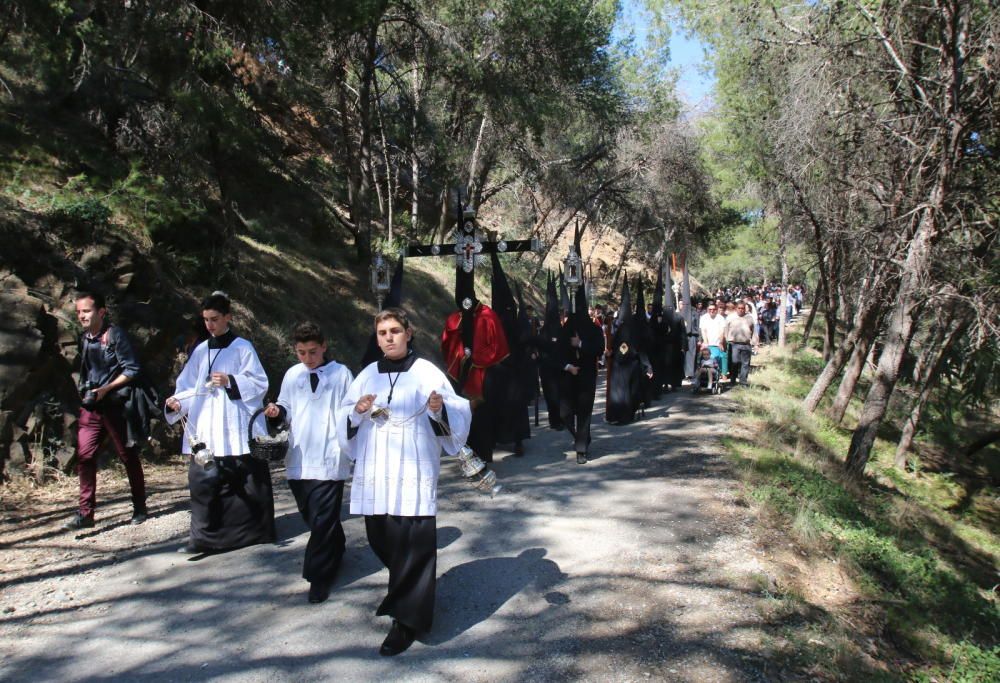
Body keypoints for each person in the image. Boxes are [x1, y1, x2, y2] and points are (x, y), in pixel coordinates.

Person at [343, 308, 471, 656]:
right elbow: (343, 414)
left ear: (409, 333)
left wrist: (437, 408)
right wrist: (356, 410)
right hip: (376, 473)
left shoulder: (427, 372)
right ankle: (409, 591)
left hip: (412, 471)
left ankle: (406, 622)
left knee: (413, 546)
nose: (389, 337)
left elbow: (457, 412)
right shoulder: (367, 375)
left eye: (395, 330)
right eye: (382, 332)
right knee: (381, 539)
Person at [164, 291, 275, 553]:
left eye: (214, 319)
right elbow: (189, 386)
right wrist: (178, 402)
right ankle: (203, 538)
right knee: (203, 479)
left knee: (245, 479)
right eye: (206, 320)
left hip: (235, 422)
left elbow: (260, 383)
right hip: (207, 423)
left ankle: (254, 532)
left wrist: (231, 381)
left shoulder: (242, 347)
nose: (210, 325)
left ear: (228, 317)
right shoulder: (201, 350)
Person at [264, 322, 353, 604]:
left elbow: (351, 410)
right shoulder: (293, 375)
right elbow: (285, 407)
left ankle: (318, 576)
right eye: (301, 353)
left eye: (312, 352)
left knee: (323, 518)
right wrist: (276, 412)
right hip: (299, 454)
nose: (307, 358)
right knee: (311, 515)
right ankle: (336, 547)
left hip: (329, 455)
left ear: (324, 346)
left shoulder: (341, 374)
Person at [63, 291, 147, 530]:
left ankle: (140, 506)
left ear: (101, 312)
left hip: (117, 407)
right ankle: (85, 513)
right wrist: (87, 390)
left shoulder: (115, 335)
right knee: (85, 456)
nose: (81, 316)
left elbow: (132, 369)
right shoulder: (85, 338)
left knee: (128, 456)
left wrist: (107, 388)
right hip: (92, 407)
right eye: (79, 312)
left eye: (86, 311)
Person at [559, 280, 605, 462]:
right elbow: (557, 351)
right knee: (565, 414)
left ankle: (581, 449)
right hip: (569, 376)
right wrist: (568, 367)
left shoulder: (594, 329)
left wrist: (581, 344)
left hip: (587, 375)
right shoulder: (566, 329)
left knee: (584, 412)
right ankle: (581, 437)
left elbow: (599, 349)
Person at [725, 302, 759, 386]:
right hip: (734, 344)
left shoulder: (749, 318)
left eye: (742, 308)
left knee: (745, 364)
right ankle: (732, 380)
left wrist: (755, 344)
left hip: (746, 344)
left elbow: (754, 331)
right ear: (736, 309)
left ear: (745, 309)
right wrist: (727, 339)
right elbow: (726, 329)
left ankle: (743, 381)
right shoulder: (731, 317)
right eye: (739, 308)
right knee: (734, 362)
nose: (741, 310)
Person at [699, 302, 728, 379]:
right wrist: (705, 342)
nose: (712, 311)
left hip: (718, 342)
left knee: (722, 356)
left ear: (716, 310)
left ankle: (724, 373)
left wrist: (721, 342)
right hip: (708, 343)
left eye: (714, 309)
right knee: (705, 357)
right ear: (707, 310)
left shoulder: (720, 318)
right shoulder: (703, 318)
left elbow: (722, 331)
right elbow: (703, 331)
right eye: (710, 309)